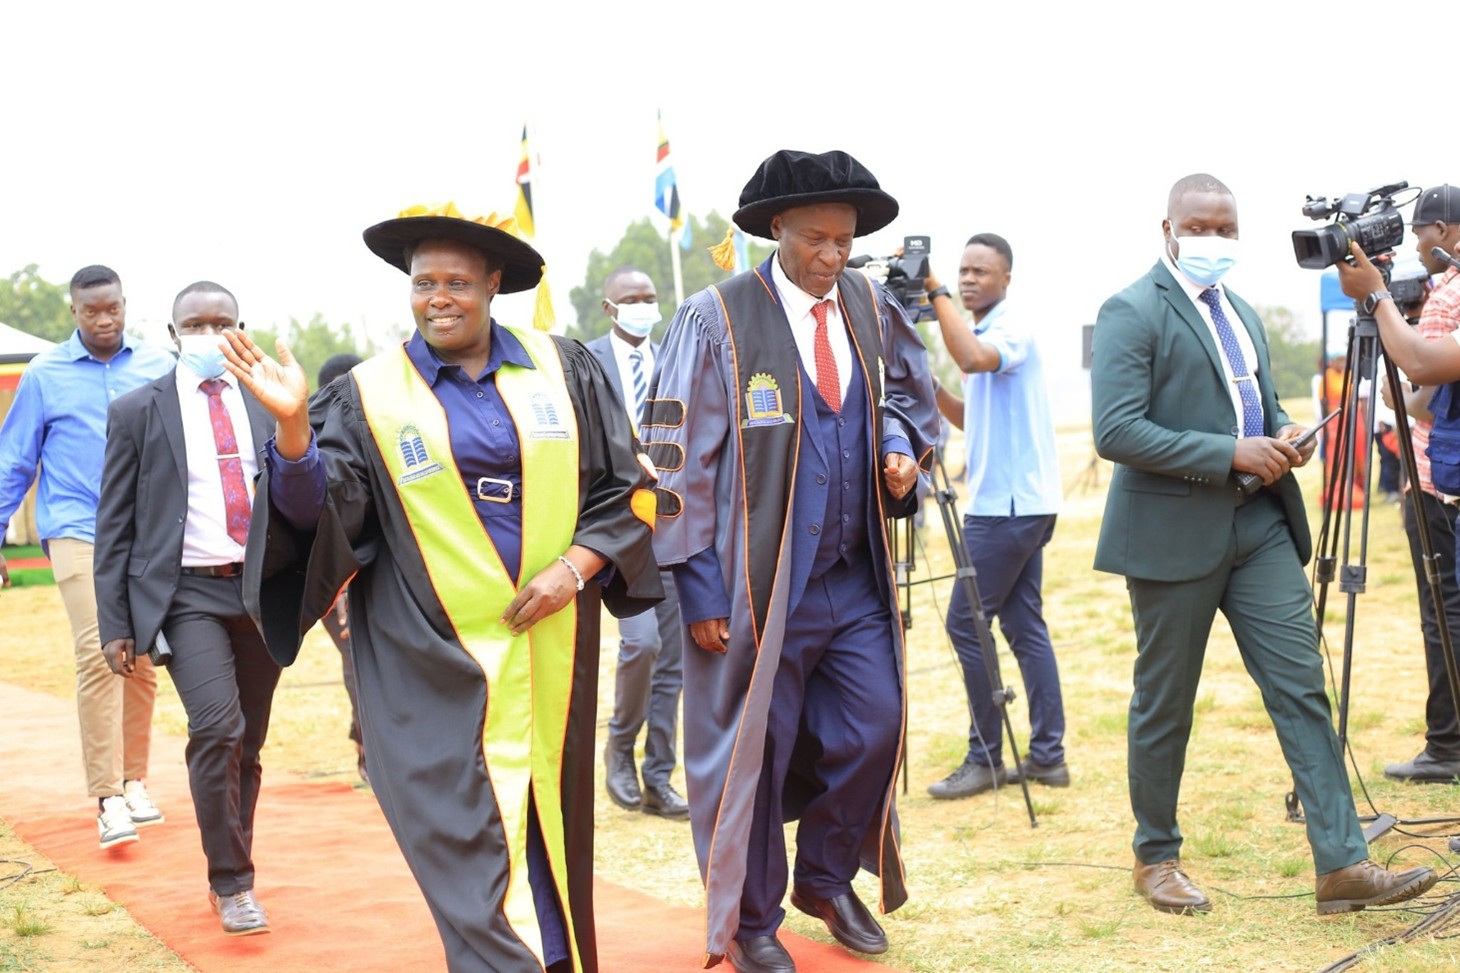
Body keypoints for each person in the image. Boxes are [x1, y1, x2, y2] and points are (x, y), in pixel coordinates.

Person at [230, 204, 660, 973]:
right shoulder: (369, 396)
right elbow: (323, 516)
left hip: (548, 647)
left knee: (544, 822)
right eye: (423, 282)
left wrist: (575, 567)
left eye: (457, 282)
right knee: (463, 840)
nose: (438, 298)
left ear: (493, 283)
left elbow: (626, 488)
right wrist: (294, 433)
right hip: (426, 659)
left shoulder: (563, 369)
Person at [1091, 173, 1437, 917]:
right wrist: (1229, 452)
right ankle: (1156, 856)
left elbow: (1262, 405)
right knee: (1165, 701)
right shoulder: (1131, 310)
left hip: (1260, 526)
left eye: (1226, 229)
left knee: (1302, 687)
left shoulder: (1242, 312)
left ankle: (1343, 864)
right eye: (1200, 227)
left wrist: (1282, 433)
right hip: (1173, 533)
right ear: (1168, 229)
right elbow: (1116, 429)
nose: (1214, 239)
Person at [644, 150, 938, 973]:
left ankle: (825, 876)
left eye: (844, 240)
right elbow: (674, 460)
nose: (832, 255)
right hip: (757, 585)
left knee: (878, 724)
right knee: (759, 752)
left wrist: (898, 447)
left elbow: (906, 396)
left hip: (853, 574)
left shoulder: (869, 305)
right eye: (816, 238)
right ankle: (752, 920)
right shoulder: (716, 318)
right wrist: (699, 586)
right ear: (777, 229)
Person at [94, 281, 281, 936]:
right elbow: (114, 523)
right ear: (173, 333)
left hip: (258, 590)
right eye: (195, 325)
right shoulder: (137, 411)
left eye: (221, 322)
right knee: (218, 728)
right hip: (185, 594)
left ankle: (234, 863)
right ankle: (232, 882)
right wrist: (115, 622)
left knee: (247, 744)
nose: (209, 334)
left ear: (240, 329)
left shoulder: (267, 400)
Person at [0, 264, 173, 850]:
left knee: (141, 656)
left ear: (125, 305)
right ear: (73, 312)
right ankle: (106, 798)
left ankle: (134, 780)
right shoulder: (44, 375)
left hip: (143, 535)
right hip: (77, 529)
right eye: (91, 311)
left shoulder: (158, 365)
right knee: (101, 653)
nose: (104, 320)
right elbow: (15, 460)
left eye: (113, 308)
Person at [922, 233, 1068, 799]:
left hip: (1006, 509)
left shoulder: (1008, 329)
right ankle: (1048, 756)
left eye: (980, 271)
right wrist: (930, 386)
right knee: (1023, 624)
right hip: (1020, 505)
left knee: (965, 623)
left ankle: (985, 758)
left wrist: (934, 292)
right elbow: (973, 416)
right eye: (961, 270)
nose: (967, 279)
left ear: (1006, 278)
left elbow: (972, 359)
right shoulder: (984, 331)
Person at [1336, 184, 1460, 783]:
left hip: (1437, 481)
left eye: (1420, 232)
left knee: (1444, 615)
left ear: (1446, 231)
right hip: (1443, 479)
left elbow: (1423, 381)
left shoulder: (1449, 295)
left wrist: (1378, 298)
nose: (1415, 245)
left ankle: (1447, 745)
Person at [585, 266, 688, 820]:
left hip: (672, 524)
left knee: (674, 660)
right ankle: (620, 745)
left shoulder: (676, 359)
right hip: (617, 527)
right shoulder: (586, 364)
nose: (643, 306)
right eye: (631, 299)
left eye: (650, 297)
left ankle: (659, 778)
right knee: (642, 643)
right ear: (609, 307)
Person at [312, 351, 367, 784]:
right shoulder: (310, 438)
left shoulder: (378, 424)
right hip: (338, 576)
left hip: (380, 569)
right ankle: (368, 749)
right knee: (357, 659)